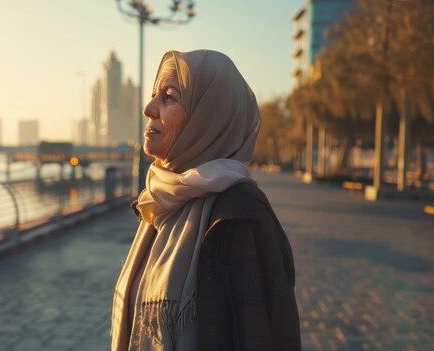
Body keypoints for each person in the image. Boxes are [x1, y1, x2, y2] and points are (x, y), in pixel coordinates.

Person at [111, 50, 301, 351]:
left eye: (169, 97)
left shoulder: (240, 217)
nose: (149, 108)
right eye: (152, 95)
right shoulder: (160, 202)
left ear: (208, 115)